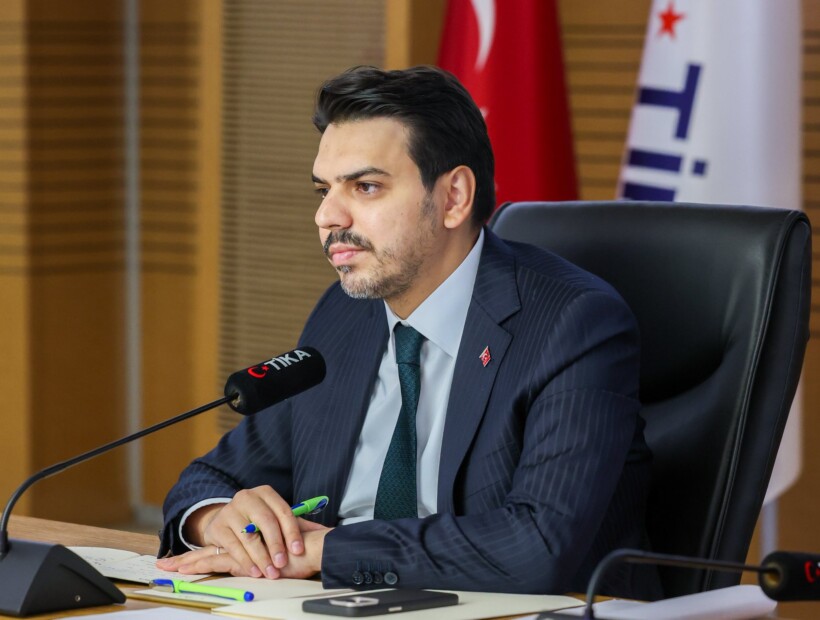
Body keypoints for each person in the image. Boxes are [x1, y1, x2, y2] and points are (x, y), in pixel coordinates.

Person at [157, 65, 657, 598]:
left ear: (454, 197)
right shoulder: (344, 315)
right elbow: (211, 478)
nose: (327, 216)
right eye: (323, 189)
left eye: (366, 187)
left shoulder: (572, 323)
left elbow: (538, 546)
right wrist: (217, 519)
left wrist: (326, 553)